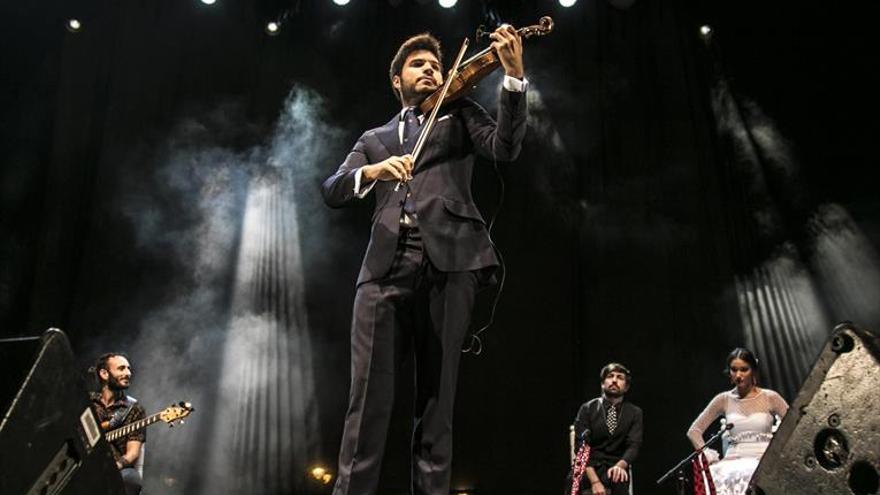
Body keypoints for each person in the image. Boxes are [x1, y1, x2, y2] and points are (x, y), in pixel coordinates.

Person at [321, 26, 528, 495]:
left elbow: (506, 147)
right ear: (397, 80)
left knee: (437, 400)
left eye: (436, 65)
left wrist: (513, 78)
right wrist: (371, 171)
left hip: (451, 262)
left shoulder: (461, 115)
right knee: (367, 401)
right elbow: (332, 189)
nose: (432, 69)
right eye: (419, 64)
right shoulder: (374, 139)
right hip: (382, 272)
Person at [686, 348, 789, 495]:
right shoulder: (723, 399)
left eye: (744, 369)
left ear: (753, 370)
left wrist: (780, 453)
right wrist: (707, 454)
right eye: (734, 370)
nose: (738, 375)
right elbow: (694, 431)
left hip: (763, 460)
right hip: (733, 460)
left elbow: (795, 424)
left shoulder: (770, 397)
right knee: (718, 474)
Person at [569, 363, 643, 495]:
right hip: (589, 466)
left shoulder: (634, 412)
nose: (614, 380)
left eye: (620, 377)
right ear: (603, 384)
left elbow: (634, 445)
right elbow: (581, 446)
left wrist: (621, 465)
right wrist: (595, 482)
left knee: (620, 480)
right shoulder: (587, 408)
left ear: (626, 387)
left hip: (615, 465)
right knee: (572, 482)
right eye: (610, 376)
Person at [91, 353, 145, 495]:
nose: (128, 373)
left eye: (129, 369)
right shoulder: (87, 401)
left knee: (131, 479)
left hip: (116, 467)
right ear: (104, 373)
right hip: (86, 461)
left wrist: (116, 465)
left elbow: (133, 453)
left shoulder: (134, 408)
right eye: (121, 368)